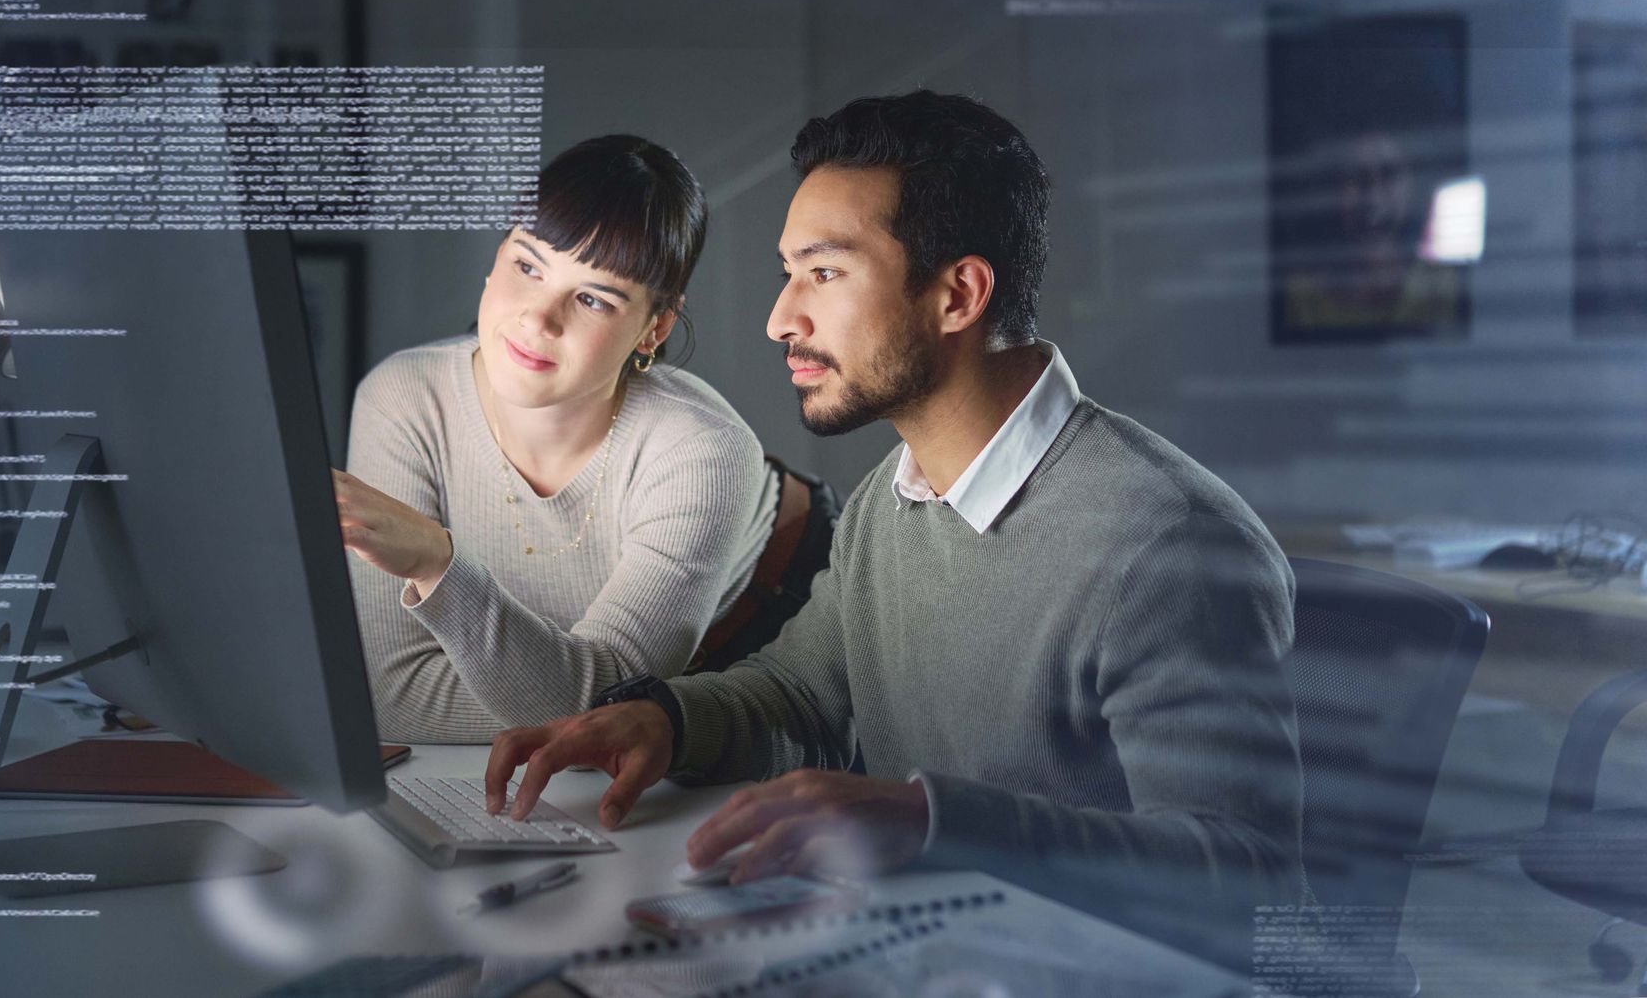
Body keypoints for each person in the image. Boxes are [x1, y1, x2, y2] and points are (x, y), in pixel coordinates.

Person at [485, 93, 1303, 972]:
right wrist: (666, 720)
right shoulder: (895, 496)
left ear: (958, 294)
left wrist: (927, 821)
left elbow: (1250, 882)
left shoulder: (1165, 544)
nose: (781, 318)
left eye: (825, 274)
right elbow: (802, 692)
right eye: (787, 272)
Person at [333, 135, 834, 745]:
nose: (539, 318)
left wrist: (438, 562)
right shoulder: (404, 398)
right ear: (496, 258)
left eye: (594, 299)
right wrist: (562, 694)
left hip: (763, 615)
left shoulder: (704, 448)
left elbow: (611, 708)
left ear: (653, 330)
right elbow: (393, 698)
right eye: (527, 266)